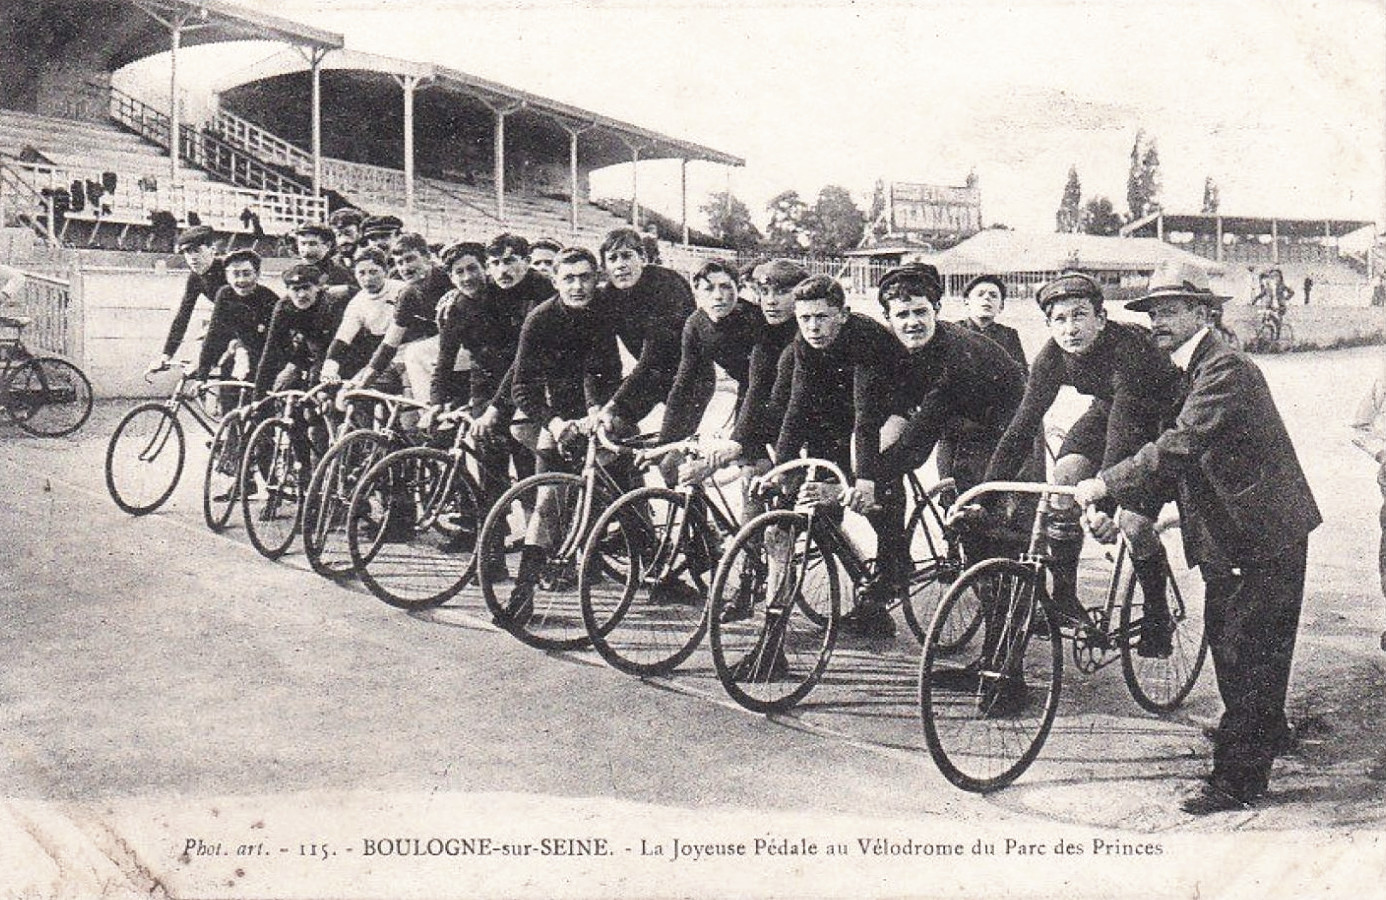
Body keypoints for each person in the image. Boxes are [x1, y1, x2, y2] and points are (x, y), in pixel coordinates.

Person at [1074, 260, 1321, 814]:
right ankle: (1262, 731)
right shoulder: (1187, 368)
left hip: (1262, 531)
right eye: (1152, 311)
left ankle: (1237, 782)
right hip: (1233, 531)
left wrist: (1105, 484)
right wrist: (1128, 505)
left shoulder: (1223, 369)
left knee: (1245, 649)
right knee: (1237, 643)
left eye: (1171, 310)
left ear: (1204, 313)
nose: (1158, 320)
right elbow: (1167, 454)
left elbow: (1178, 446)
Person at [985, 271, 1183, 657]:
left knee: (1133, 522)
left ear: (1101, 318)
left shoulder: (1127, 349)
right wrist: (989, 492)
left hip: (1158, 417)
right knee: (1064, 480)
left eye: (1080, 316)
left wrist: (1105, 507)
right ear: (1048, 325)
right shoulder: (1052, 355)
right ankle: (1065, 598)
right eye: (1060, 319)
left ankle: (1158, 614)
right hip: (1109, 410)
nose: (1070, 328)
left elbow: (1124, 436)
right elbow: (1022, 426)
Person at [769, 274, 907, 638]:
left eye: (822, 317)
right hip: (839, 414)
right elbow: (796, 409)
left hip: (891, 407)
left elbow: (866, 419)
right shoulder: (803, 343)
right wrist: (782, 470)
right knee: (821, 501)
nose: (813, 327)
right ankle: (869, 599)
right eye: (805, 318)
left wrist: (864, 480)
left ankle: (895, 564)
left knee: (876, 481)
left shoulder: (864, 338)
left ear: (842, 314)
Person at [507, 247, 624, 621]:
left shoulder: (604, 312)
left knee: (623, 482)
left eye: (585, 277)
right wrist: (553, 422)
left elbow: (604, 369)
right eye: (568, 278)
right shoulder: (540, 320)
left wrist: (597, 411)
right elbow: (521, 386)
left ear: (597, 278)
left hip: (601, 407)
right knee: (546, 503)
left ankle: (653, 563)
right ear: (555, 281)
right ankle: (522, 595)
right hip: (557, 414)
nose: (578, 286)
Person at [592, 227, 694, 432]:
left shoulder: (667, 284)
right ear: (604, 267)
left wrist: (613, 403)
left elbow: (655, 354)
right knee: (611, 428)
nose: (620, 265)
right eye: (613, 258)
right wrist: (596, 405)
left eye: (627, 256)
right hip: (652, 376)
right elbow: (597, 357)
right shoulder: (609, 295)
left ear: (643, 258)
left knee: (672, 449)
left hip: (688, 376)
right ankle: (629, 463)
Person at [351, 232, 454, 397]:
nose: (405, 268)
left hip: (474, 340)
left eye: (410, 259)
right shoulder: (408, 294)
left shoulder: (449, 277)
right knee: (412, 353)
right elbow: (390, 343)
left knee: (415, 353)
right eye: (399, 263)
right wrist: (364, 382)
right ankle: (427, 411)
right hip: (447, 346)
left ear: (427, 257)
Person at [252, 264, 348, 399]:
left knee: (320, 396)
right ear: (287, 290)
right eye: (295, 289)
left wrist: (312, 380)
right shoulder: (284, 307)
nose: (302, 295)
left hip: (343, 350)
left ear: (318, 287)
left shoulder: (330, 304)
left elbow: (329, 348)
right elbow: (270, 351)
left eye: (306, 288)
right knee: (283, 387)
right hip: (311, 348)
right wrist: (257, 399)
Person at [188, 248, 277, 387]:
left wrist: (242, 349)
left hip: (265, 359)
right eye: (235, 274)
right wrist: (202, 376)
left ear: (258, 274)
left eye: (246, 274)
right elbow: (214, 333)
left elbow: (274, 343)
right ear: (227, 276)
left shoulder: (269, 299)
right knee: (227, 395)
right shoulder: (224, 294)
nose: (241, 280)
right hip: (238, 355)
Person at [319, 247, 408, 386]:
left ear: (385, 271)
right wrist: (329, 368)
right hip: (383, 359)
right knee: (349, 393)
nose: (367, 279)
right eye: (361, 273)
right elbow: (343, 338)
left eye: (373, 272)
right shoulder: (357, 303)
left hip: (410, 354)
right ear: (354, 274)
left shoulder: (403, 290)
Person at [148, 225, 228, 372]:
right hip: (226, 324)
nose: (192, 257)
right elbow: (183, 316)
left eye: (197, 250)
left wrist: (204, 358)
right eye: (187, 252)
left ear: (212, 250)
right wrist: (166, 355)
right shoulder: (195, 277)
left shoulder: (229, 270)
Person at [958, 274, 1026, 367]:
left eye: (993, 295)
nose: (987, 298)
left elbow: (1021, 374)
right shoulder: (954, 332)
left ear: (1001, 306)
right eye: (980, 294)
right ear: (967, 301)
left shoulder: (1009, 335)